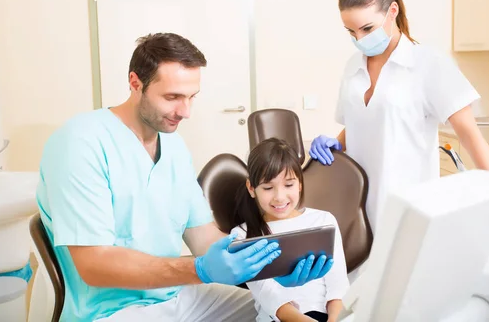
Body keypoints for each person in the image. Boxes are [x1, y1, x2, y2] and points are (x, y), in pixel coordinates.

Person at [36, 33, 332, 322]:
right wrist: (200, 270)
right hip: (111, 311)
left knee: (282, 312)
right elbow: (94, 265)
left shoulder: (174, 146)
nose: (185, 111)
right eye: (172, 97)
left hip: (177, 296)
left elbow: (203, 238)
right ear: (135, 83)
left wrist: (272, 266)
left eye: (191, 97)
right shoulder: (80, 144)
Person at [309, 0, 489, 234]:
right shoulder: (353, 66)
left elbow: (469, 135)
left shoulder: (429, 64)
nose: (360, 39)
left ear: (392, 11)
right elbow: (358, 125)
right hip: (355, 211)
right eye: (351, 32)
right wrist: (335, 144)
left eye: (367, 29)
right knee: (359, 274)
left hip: (408, 213)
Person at [232, 138, 349, 322]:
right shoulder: (243, 236)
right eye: (268, 187)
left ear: (300, 183)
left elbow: (338, 289)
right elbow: (271, 298)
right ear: (252, 188)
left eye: (289, 185)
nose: (280, 197)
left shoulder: (323, 221)